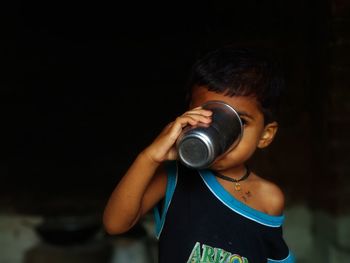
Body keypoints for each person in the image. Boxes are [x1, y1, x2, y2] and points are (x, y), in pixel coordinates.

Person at [103, 46, 295, 263]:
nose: (221, 132)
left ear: (265, 135)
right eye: (209, 116)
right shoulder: (174, 176)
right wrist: (149, 157)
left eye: (239, 122)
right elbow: (115, 224)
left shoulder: (270, 197)